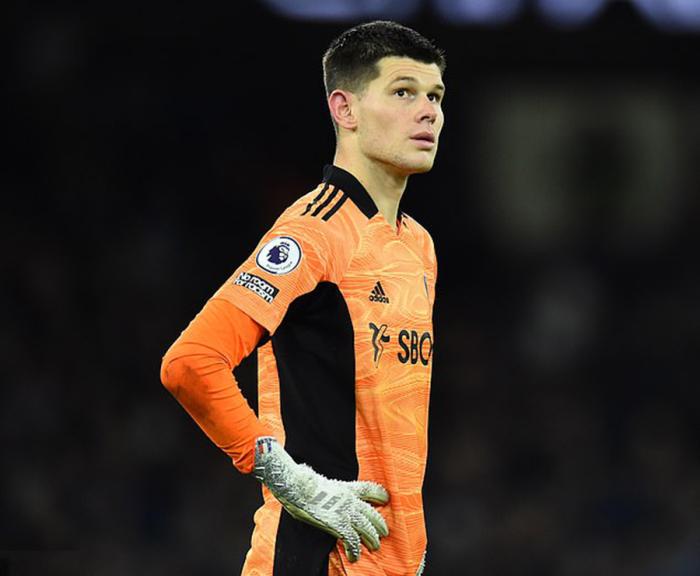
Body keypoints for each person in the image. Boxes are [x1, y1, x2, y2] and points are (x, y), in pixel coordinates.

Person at [161, 19, 446, 576]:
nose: (428, 112)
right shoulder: (314, 233)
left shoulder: (418, 245)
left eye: (435, 96)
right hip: (312, 560)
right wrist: (290, 480)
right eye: (403, 92)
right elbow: (191, 363)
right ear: (345, 109)